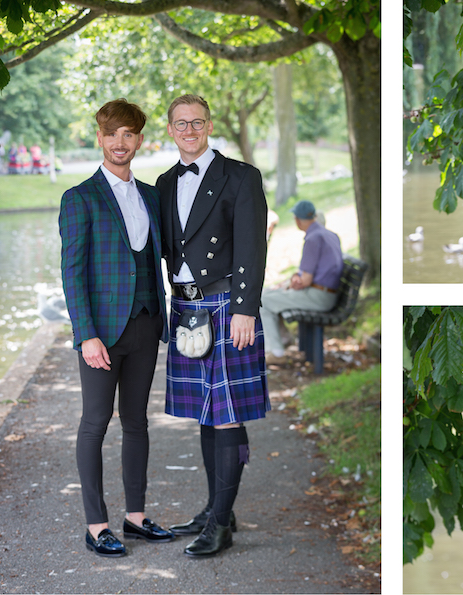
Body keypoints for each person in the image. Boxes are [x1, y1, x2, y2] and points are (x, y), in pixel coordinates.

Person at [59, 99, 174, 557]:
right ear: (100, 139)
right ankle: (96, 524)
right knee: (94, 423)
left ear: (140, 140)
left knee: (136, 422)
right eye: (112, 134)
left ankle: (136, 517)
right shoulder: (80, 198)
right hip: (102, 334)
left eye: (129, 134)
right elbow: (73, 273)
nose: (120, 143)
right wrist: (86, 334)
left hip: (147, 325)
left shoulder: (150, 196)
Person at [156, 95, 269, 558]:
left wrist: (245, 308)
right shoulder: (163, 183)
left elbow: (250, 247)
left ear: (208, 125)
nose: (189, 130)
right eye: (180, 124)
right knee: (208, 411)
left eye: (196, 122)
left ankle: (220, 523)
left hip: (227, 306)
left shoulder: (240, 176)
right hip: (186, 309)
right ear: (170, 129)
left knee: (227, 412)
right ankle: (216, 506)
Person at [259, 199, 344, 363]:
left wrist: (295, 282)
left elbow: (305, 280)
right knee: (269, 294)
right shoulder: (329, 234)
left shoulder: (312, 238)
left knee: (262, 300)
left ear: (298, 219)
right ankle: (283, 339)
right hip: (326, 293)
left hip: (319, 297)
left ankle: (276, 352)